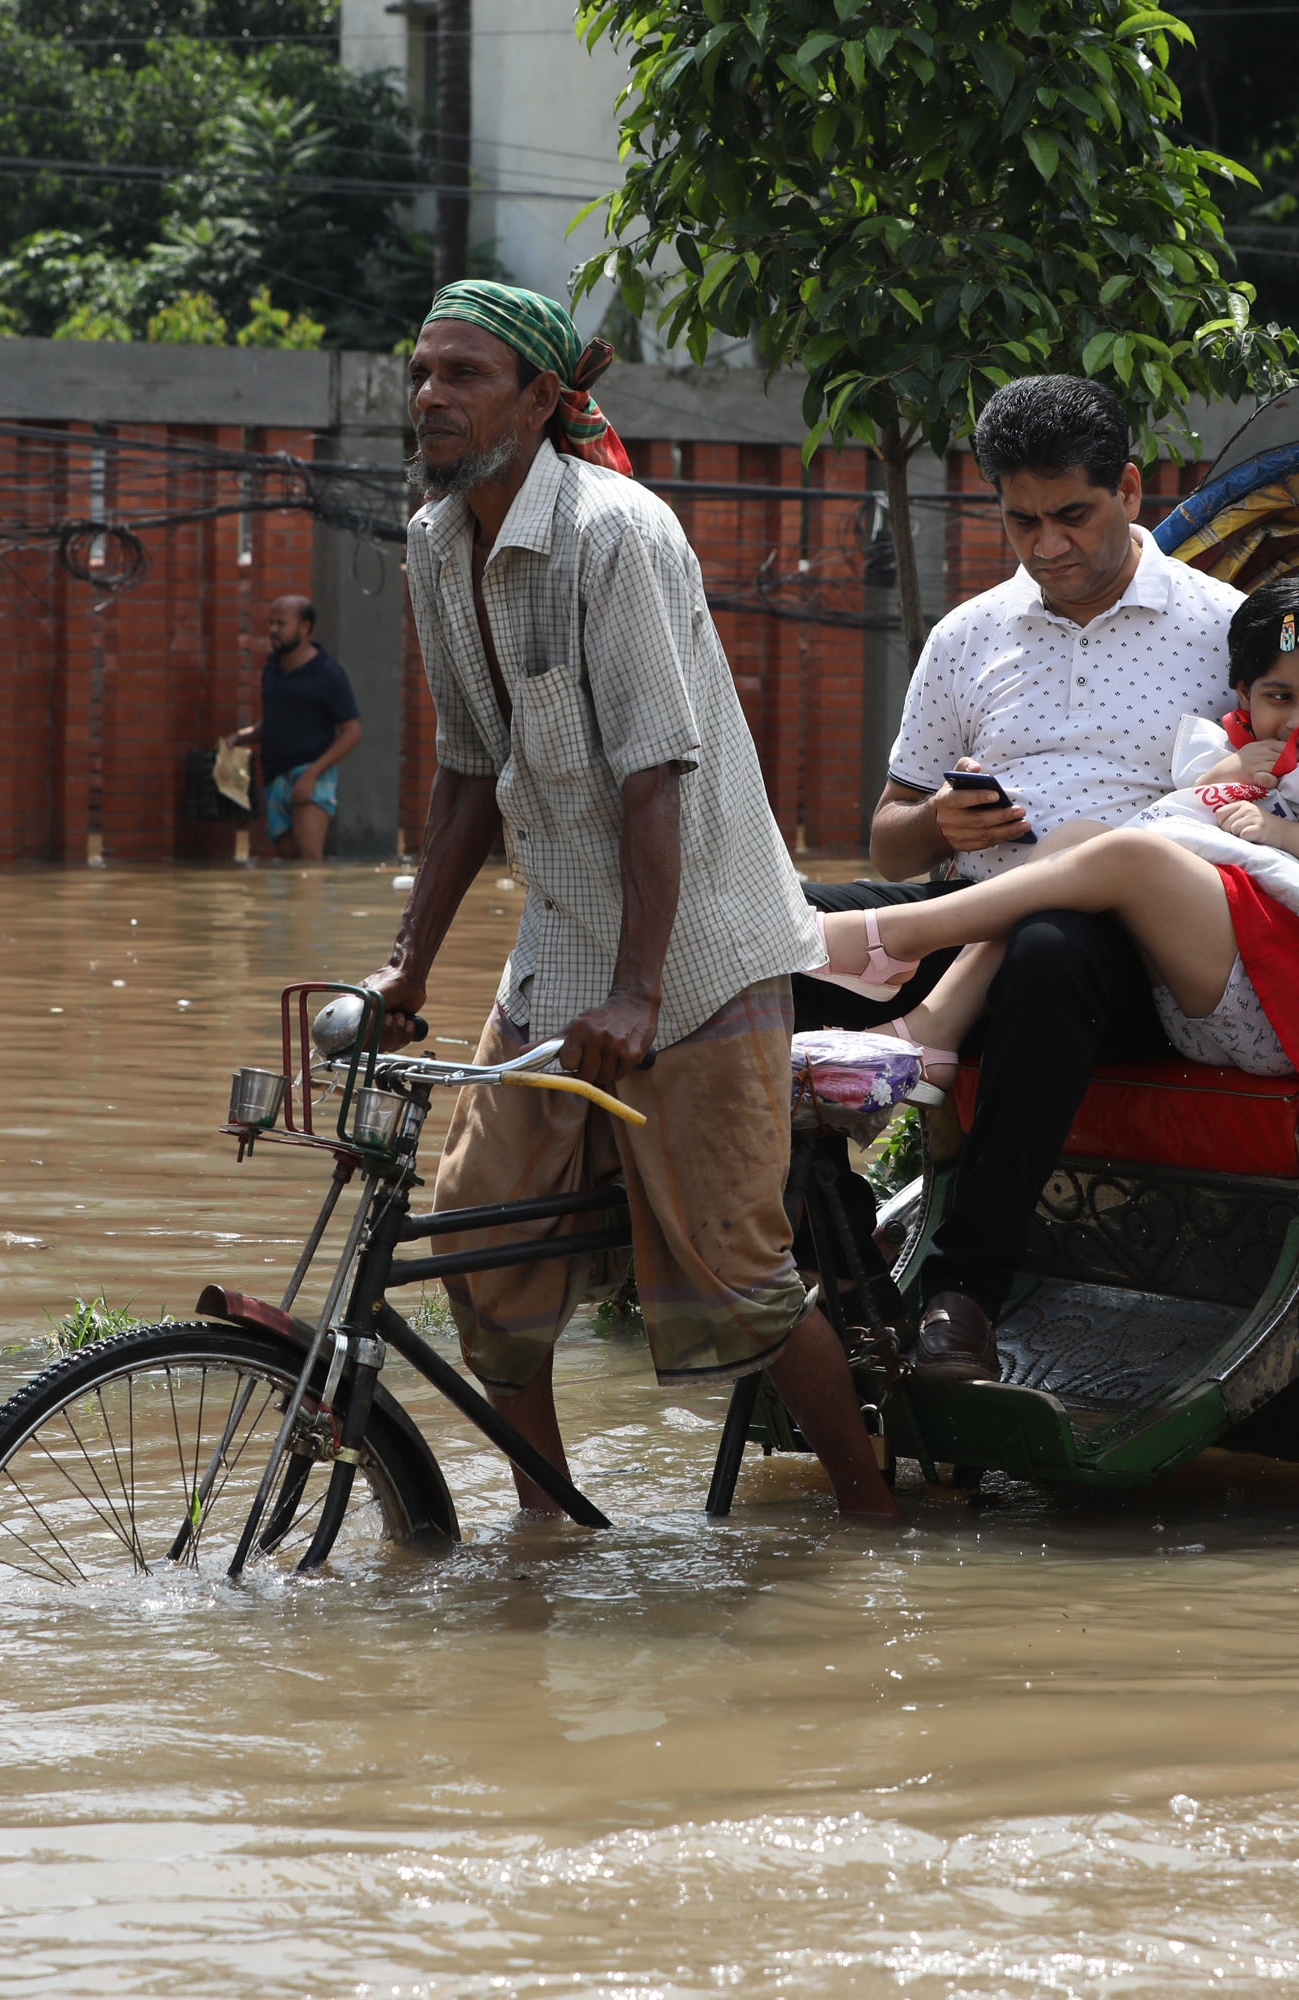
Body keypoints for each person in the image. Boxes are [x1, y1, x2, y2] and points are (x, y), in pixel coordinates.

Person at [356, 280, 897, 1521]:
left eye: (465, 376)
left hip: (697, 947)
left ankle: (873, 1518)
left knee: (737, 1274)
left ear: (542, 399)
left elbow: (657, 775)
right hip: (559, 949)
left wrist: (643, 992)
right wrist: (407, 968)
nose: (432, 397)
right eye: (423, 372)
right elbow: (465, 772)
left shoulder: (619, 534)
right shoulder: (437, 540)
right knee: (474, 1231)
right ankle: (546, 1516)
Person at [795, 375, 1245, 1385]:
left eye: (1073, 515)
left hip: (1116, 957)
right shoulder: (969, 636)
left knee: (1047, 950)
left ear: (1129, 489)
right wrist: (939, 821)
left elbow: (1270, 807)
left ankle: (965, 1294)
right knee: (759, 937)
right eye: (1022, 520)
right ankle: (825, 1242)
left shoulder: (1225, 632)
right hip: (957, 913)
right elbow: (890, 843)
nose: (1048, 546)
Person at [816, 573, 1299, 1211]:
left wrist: (1282, 832)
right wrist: (1227, 778)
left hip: (1295, 998)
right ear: (1243, 693)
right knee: (1082, 836)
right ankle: (931, 1026)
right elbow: (1179, 826)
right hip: (1193, 991)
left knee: (1123, 848)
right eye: (1278, 696)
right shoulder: (1224, 754)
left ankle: (898, 936)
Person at [231, 594, 361, 860]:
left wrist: (312, 775)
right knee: (288, 861)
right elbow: (276, 719)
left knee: (309, 861)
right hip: (275, 777)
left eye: (281, 623)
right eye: (271, 623)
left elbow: (352, 732)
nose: (273, 630)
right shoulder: (272, 667)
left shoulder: (327, 674)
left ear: (304, 627)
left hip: (311, 774)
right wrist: (241, 738)